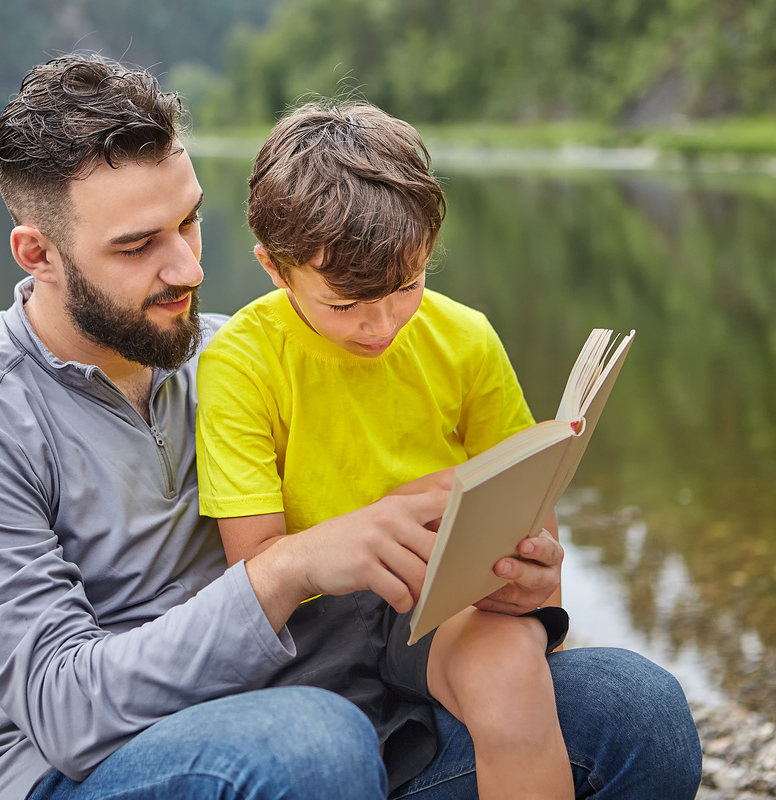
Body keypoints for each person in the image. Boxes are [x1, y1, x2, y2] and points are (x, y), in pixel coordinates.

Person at [0, 52, 703, 800]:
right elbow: (65, 715)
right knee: (312, 747)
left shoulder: (243, 354)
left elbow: (379, 573)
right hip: (91, 772)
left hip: (333, 719)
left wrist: (499, 570)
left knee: (638, 712)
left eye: (189, 223)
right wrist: (288, 570)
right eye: (138, 246)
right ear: (37, 254)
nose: (189, 269)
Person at [195, 100, 572, 798]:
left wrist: (532, 572)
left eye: (408, 286)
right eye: (344, 304)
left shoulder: (466, 340)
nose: (381, 324)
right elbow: (255, 573)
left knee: (513, 679)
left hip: (439, 600)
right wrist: (382, 516)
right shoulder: (241, 363)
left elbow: (534, 525)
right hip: (314, 628)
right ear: (275, 269)